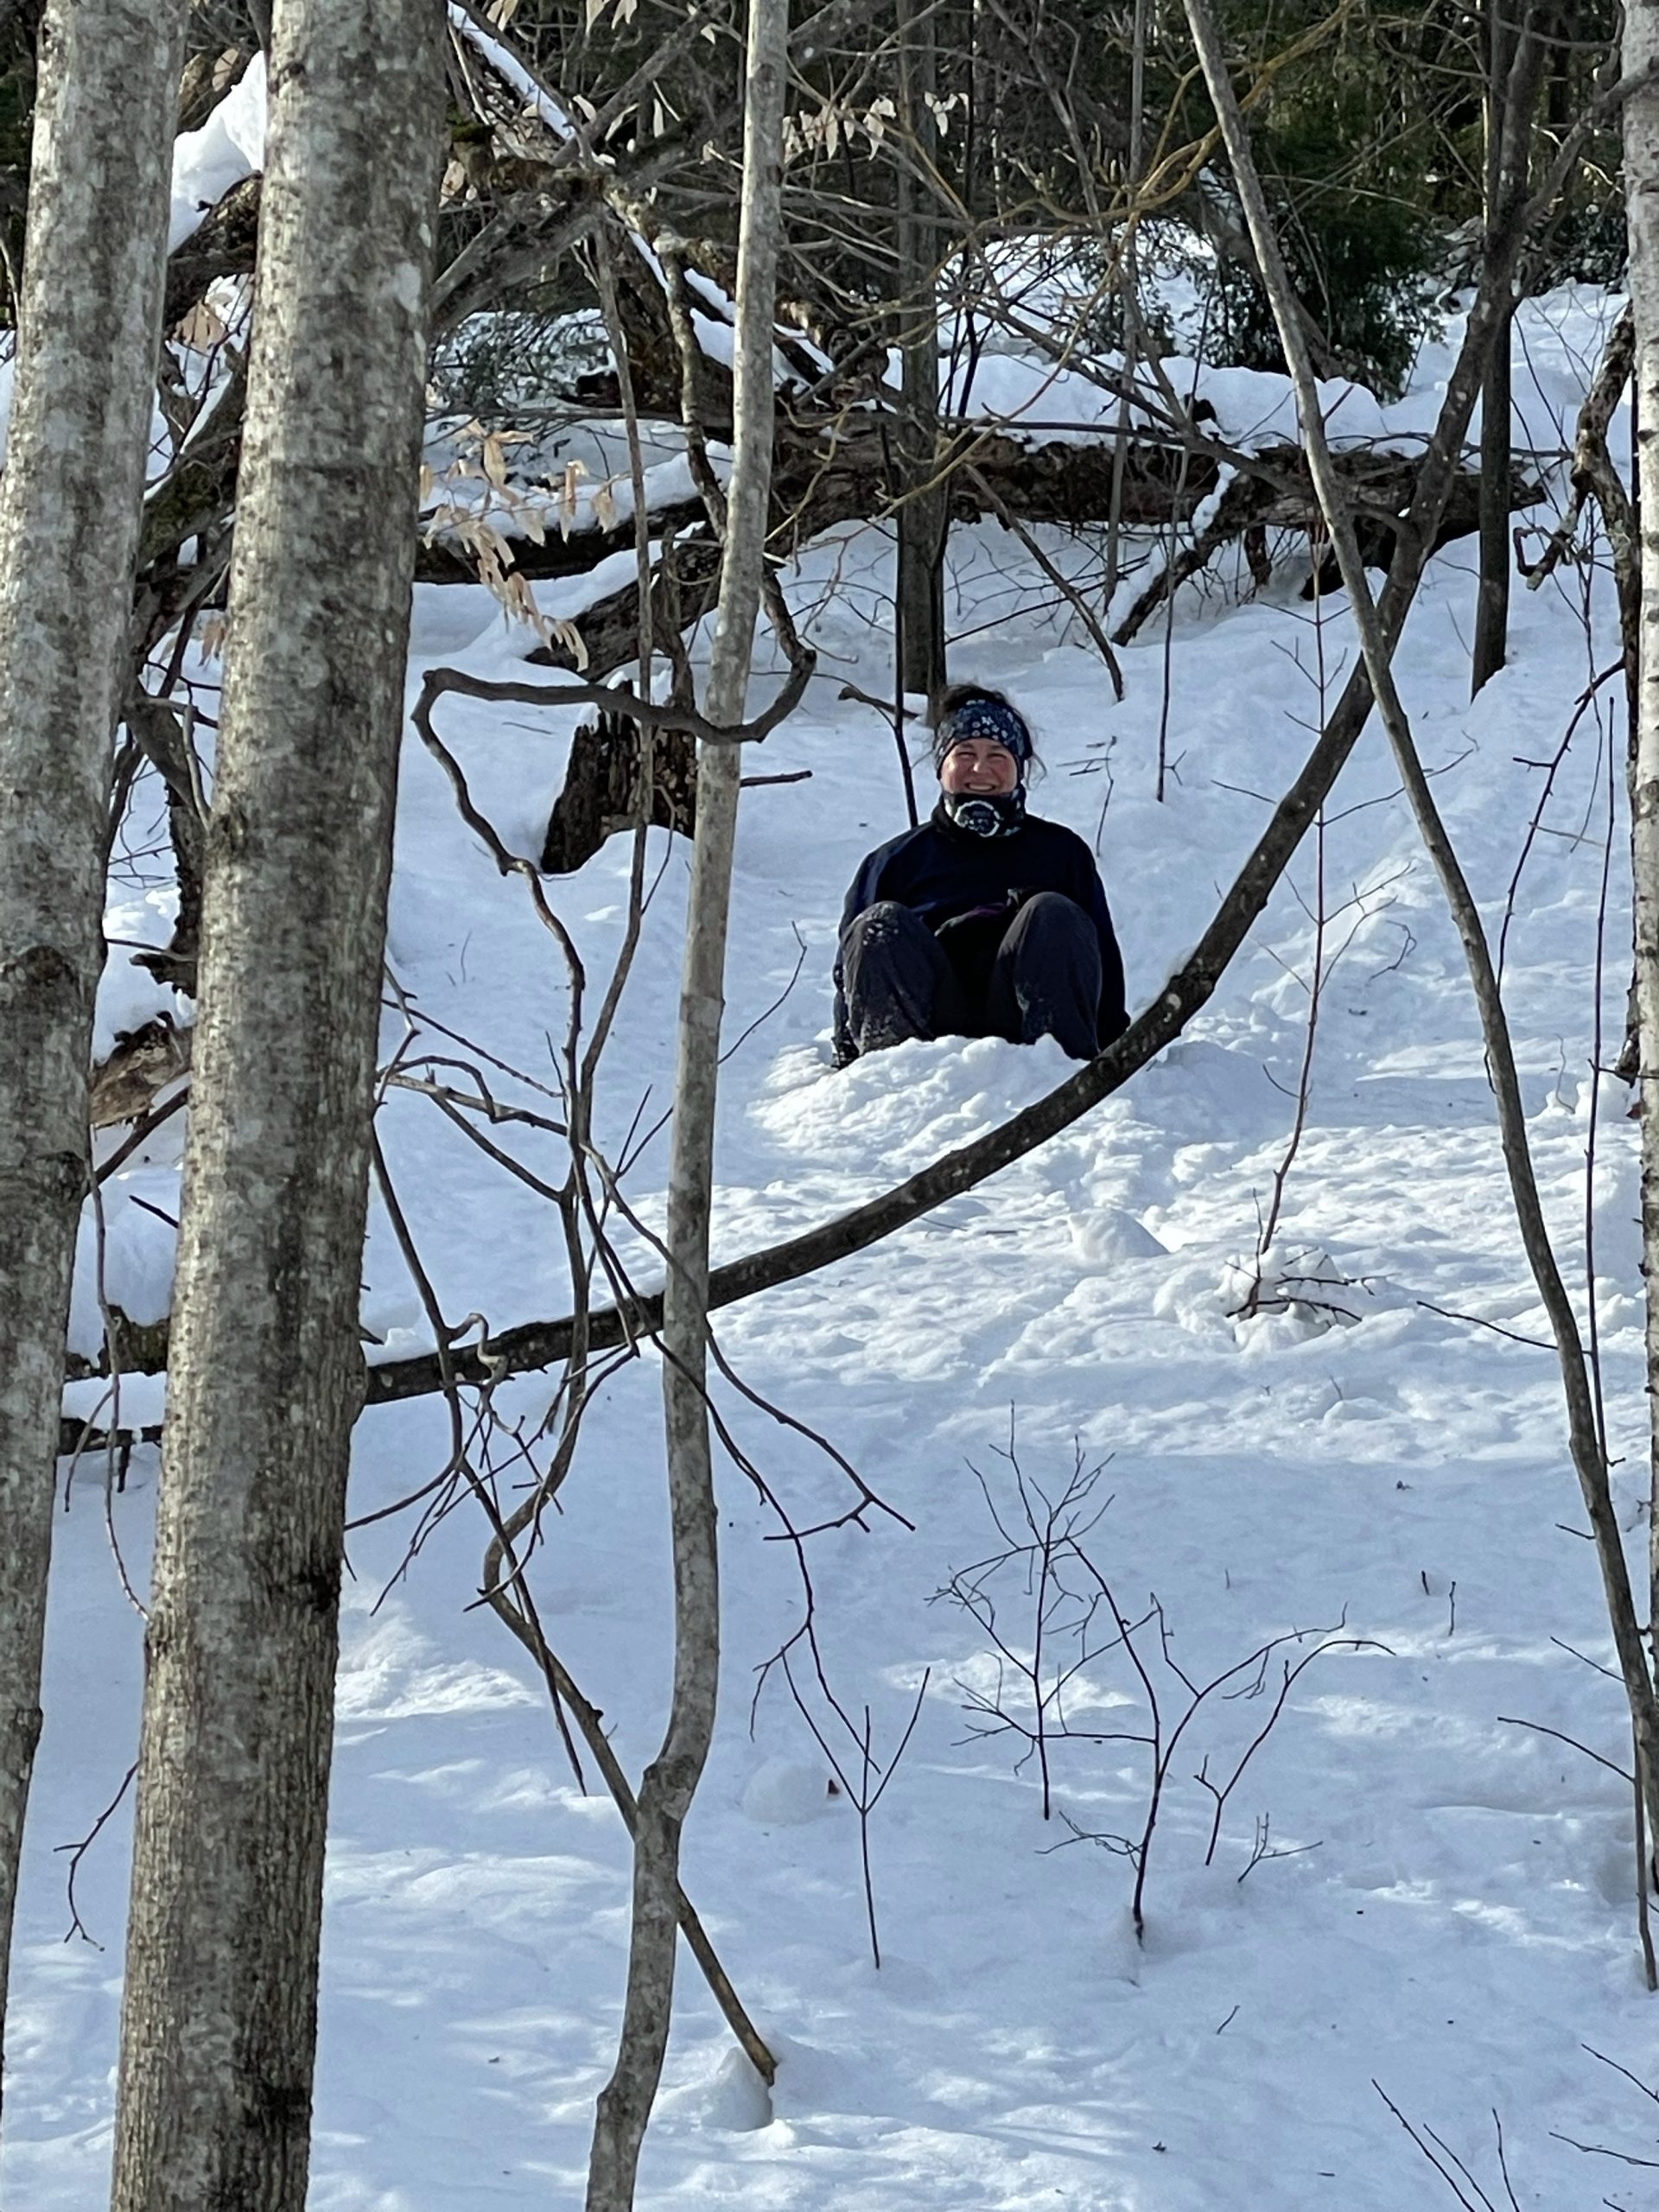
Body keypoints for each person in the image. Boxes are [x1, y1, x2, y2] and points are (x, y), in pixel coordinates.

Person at [834, 684, 1129, 1066]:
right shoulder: (893, 861)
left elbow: (1103, 962)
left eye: (997, 755)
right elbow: (853, 972)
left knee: (1051, 912)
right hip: (924, 1043)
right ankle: (886, 1075)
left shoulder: (1062, 853)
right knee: (879, 924)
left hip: (1030, 1040)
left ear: (1019, 768)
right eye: (966, 754)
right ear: (941, 766)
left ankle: (1066, 1072)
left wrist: (1116, 1051)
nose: (980, 769)